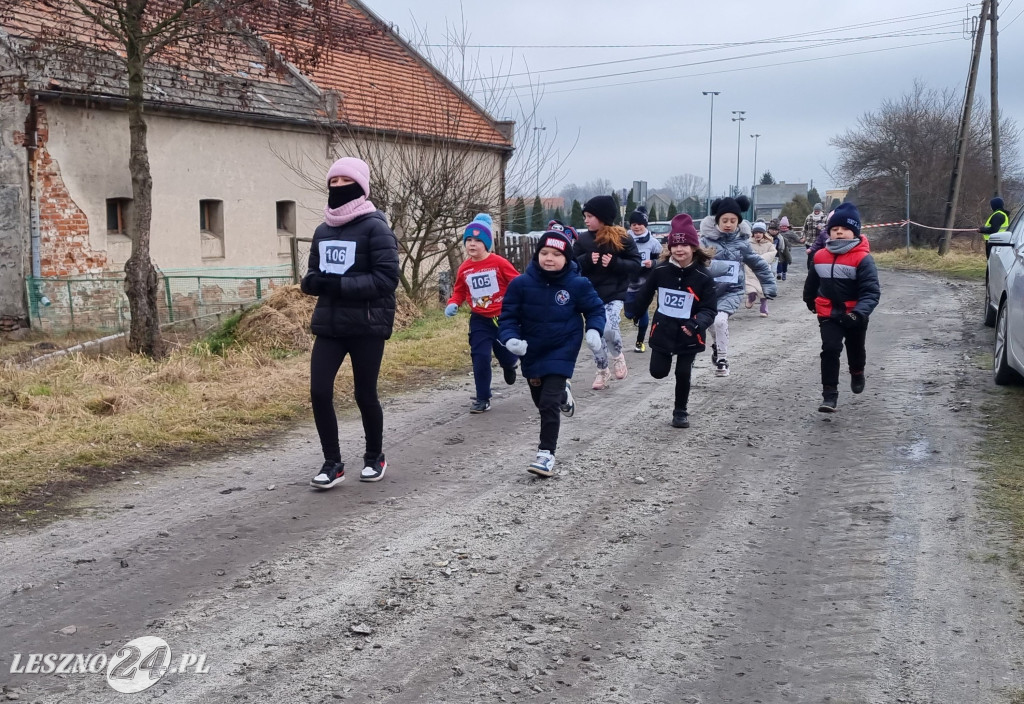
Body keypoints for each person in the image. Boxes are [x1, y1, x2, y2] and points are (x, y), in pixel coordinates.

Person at [301, 156, 400, 489]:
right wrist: (312, 283)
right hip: (330, 325)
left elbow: (387, 279)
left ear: (361, 187)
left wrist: (340, 285)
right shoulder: (322, 230)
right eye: (333, 182)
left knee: (364, 394)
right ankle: (332, 463)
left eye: (346, 182)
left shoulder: (376, 227)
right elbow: (313, 272)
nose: (339, 188)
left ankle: (374, 457)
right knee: (318, 391)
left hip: (367, 325)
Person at [498, 228, 606, 477]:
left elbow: (595, 310)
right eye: (544, 252)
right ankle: (563, 396)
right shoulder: (520, 284)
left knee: (547, 403)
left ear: (566, 258)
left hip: (563, 347)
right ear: (536, 255)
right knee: (541, 401)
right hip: (532, 349)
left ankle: (546, 455)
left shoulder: (577, 284)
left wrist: (594, 330)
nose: (549, 258)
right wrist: (510, 339)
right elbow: (508, 318)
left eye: (556, 254)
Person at [632, 214, 718, 428]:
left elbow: (709, 308)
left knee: (683, 372)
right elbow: (645, 292)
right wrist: (634, 310)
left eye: (685, 245)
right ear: (669, 247)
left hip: (690, 331)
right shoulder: (660, 271)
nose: (680, 250)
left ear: (694, 247)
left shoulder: (703, 276)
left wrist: (696, 323)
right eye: (675, 245)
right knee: (658, 372)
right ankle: (664, 366)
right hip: (663, 329)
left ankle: (680, 411)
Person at [802, 202, 881, 413]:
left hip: (855, 315)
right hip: (828, 313)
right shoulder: (819, 256)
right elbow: (812, 283)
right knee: (830, 349)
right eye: (835, 229)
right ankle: (829, 395)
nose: (839, 233)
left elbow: (871, 292)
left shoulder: (863, 259)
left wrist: (858, 313)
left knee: (855, 350)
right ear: (829, 232)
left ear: (854, 232)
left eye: (844, 229)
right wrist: (810, 301)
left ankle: (857, 372)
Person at [445, 213, 521, 413]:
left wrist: (522, 302)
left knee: (505, 353)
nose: (472, 244)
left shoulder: (499, 263)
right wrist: (453, 303)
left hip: (503, 318)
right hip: (480, 319)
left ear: (487, 244)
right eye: (468, 240)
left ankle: (510, 364)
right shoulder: (464, 268)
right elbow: (460, 290)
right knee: (480, 357)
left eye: (478, 240)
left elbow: (517, 283)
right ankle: (482, 398)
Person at [699, 195, 778, 377]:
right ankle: (716, 346)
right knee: (711, 322)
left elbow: (758, 264)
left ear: (738, 222)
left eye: (733, 221)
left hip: (732, 290)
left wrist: (769, 285)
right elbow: (694, 263)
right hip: (709, 291)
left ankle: (722, 360)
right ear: (717, 221)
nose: (728, 224)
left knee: (720, 320)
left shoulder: (742, 243)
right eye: (724, 220)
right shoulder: (705, 242)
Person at [574, 195, 643, 389]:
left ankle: (618, 356)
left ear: (603, 217)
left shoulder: (622, 238)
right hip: (591, 296)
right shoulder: (583, 239)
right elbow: (571, 265)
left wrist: (615, 263)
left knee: (609, 328)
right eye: (585, 216)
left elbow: (635, 264)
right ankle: (602, 370)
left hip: (615, 294)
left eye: (589, 216)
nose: (586, 220)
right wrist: (587, 260)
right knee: (594, 337)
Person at [623, 206, 663, 353]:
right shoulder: (625, 240)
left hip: (645, 283)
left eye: (640, 224)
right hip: (628, 283)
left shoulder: (653, 243)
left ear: (645, 225)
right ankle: (634, 316)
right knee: (628, 314)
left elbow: (662, 260)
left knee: (643, 311)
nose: (637, 227)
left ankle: (640, 342)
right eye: (634, 224)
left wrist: (652, 263)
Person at [744, 221, 777, 317]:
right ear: (753, 233)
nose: (758, 234)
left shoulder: (769, 244)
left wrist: (762, 259)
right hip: (749, 269)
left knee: (763, 290)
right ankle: (751, 298)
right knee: (750, 287)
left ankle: (764, 307)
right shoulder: (748, 243)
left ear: (764, 233)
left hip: (763, 269)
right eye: (756, 232)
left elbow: (773, 253)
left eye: (760, 232)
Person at [804, 204, 828, 268]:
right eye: (815, 211)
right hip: (810, 241)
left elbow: (827, 230)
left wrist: (821, 228)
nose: (816, 212)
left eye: (818, 211)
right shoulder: (809, 217)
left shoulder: (825, 217)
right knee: (810, 257)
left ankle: (817, 270)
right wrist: (803, 237)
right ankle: (810, 270)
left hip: (820, 242)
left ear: (820, 210)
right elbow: (805, 228)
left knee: (819, 257)